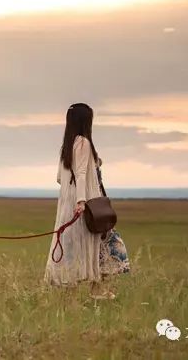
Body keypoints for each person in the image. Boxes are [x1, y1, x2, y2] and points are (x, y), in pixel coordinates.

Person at [44, 103, 129, 298]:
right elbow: (81, 173)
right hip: (86, 203)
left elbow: (59, 177)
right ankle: (96, 290)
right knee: (104, 241)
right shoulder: (83, 143)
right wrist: (82, 200)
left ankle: (76, 291)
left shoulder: (67, 145)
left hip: (68, 202)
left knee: (74, 245)